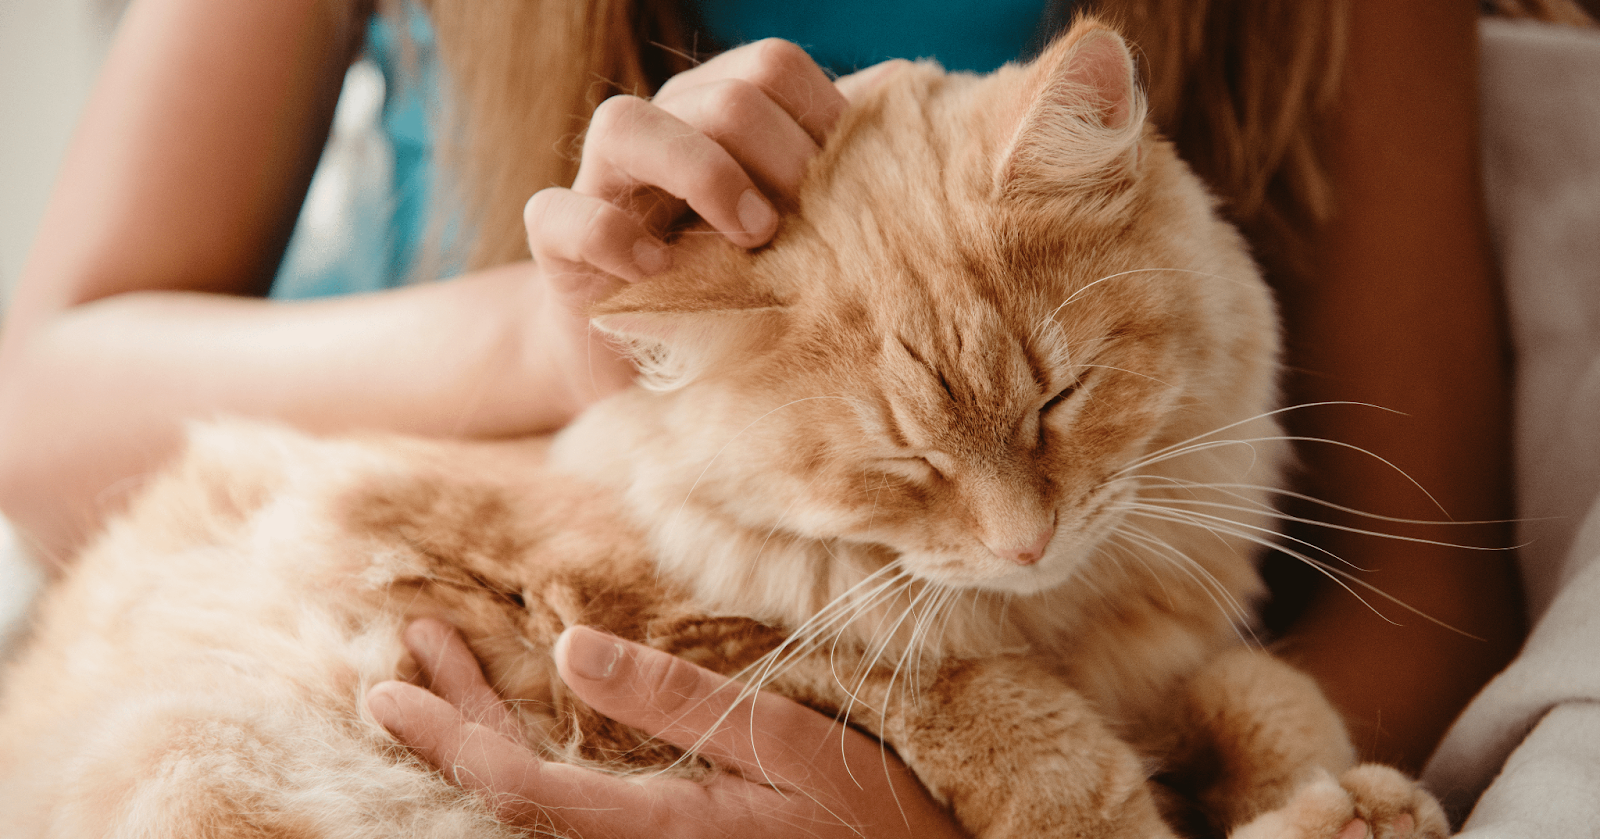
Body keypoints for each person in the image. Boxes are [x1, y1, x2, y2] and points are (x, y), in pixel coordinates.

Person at [0, 0, 1528, 833]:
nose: (1016, 534)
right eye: (923, 471)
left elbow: (1433, 571)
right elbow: (37, 412)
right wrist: (556, 336)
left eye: (1053, 414)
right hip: (388, 540)